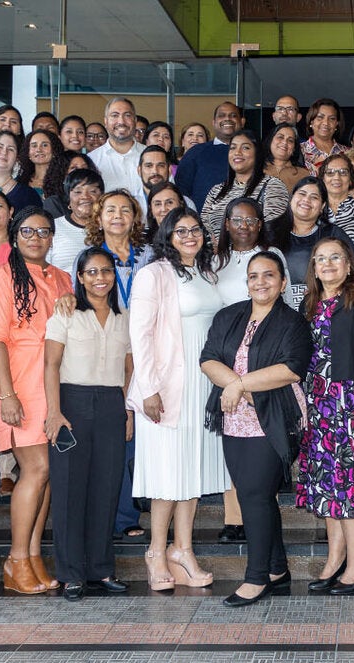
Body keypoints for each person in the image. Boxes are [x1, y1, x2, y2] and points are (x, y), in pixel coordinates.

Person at [201, 251, 312, 606]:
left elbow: (292, 368)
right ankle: (277, 568)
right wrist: (236, 387)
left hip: (275, 417)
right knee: (253, 494)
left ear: (282, 283)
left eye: (268, 276)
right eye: (253, 276)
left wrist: (237, 386)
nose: (260, 282)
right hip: (235, 417)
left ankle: (256, 577)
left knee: (254, 495)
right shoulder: (229, 316)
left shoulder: (293, 322)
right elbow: (209, 359)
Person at [127, 208, 229, 591]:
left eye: (196, 229)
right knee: (168, 471)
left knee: (193, 469)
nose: (190, 235)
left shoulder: (207, 273)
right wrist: (149, 388)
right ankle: (155, 550)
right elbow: (141, 335)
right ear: (167, 236)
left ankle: (182, 548)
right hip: (168, 384)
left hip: (202, 383)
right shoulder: (153, 275)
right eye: (180, 230)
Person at [0, 208, 73, 594]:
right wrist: (6, 395)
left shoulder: (63, 278)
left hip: (57, 384)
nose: (36, 237)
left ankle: (34, 556)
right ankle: (16, 558)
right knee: (34, 470)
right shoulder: (0, 281)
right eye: (28, 231)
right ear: (15, 236)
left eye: (44, 231)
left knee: (47, 471)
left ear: (53, 238)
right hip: (19, 385)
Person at [297, 237, 354, 595]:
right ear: (314, 269)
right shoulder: (310, 304)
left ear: (349, 264)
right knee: (326, 484)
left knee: (349, 482)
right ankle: (335, 558)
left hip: (351, 402)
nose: (328, 264)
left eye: (335, 257)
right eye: (321, 259)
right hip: (318, 404)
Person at [42, 247, 133, 601]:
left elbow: (130, 368)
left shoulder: (124, 317)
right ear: (79, 277)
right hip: (72, 405)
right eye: (92, 272)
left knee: (106, 488)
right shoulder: (64, 313)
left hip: (111, 404)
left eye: (106, 271)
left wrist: (126, 410)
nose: (100, 278)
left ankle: (101, 568)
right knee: (68, 490)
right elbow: (50, 365)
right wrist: (54, 411)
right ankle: (71, 574)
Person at [83, 189, 153, 540]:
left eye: (125, 210)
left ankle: (137, 504)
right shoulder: (92, 257)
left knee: (140, 432)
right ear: (99, 216)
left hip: (147, 348)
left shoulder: (150, 255)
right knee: (115, 434)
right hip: (108, 349)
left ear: (135, 217)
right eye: (110, 209)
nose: (117, 215)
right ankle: (119, 517)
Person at [269, 177, 351, 309]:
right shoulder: (270, 231)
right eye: (302, 194)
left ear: (322, 206)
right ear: (291, 198)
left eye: (314, 197)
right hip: (275, 309)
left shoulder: (333, 235)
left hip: (323, 309)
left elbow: (353, 271)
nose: (306, 200)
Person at [201, 130, 289, 236]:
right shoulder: (217, 190)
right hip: (219, 251)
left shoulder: (273, 186)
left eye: (245, 147)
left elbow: (271, 230)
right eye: (233, 147)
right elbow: (205, 227)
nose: (237, 152)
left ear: (257, 153)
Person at [177, 103, 244, 208]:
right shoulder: (195, 153)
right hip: (202, 222)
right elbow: (181, 191)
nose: (227, 119)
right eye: (221, 115)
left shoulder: (252, 153)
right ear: (213, 122)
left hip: (243, 221)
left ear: (242, 122)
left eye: (233, 115)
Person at [46, 169, 106, 273]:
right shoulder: (52, 227)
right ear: (68, 198)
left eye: (92, 191)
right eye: (78, 192)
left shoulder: (110, 228)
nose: (85, 197)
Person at [87, 98, 147, 197]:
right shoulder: (92, 160)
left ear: (135, 121)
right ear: (105, 121)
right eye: (115, 115)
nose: (121, 121)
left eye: (127, 115)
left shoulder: (151, 156)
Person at [19, 130, 69, 199]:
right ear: (28, 153)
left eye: (44, 145)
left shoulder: (65, 181)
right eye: (34, 146)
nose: (39, 150)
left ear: (54, 150)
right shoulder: (20, 182)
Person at [300, 98, 347, 168]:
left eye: (332, 118)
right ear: (311, 121)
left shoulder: (347, 153)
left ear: (337, 124)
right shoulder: (300, 150)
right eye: (320, 117)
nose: (326, 123)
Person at [264, 123, 310, 192]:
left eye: (290, 140)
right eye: (280, 137)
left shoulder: (303, 175)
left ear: (294, 148)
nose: (285, 142)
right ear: (270, 140)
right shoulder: (255, 168)